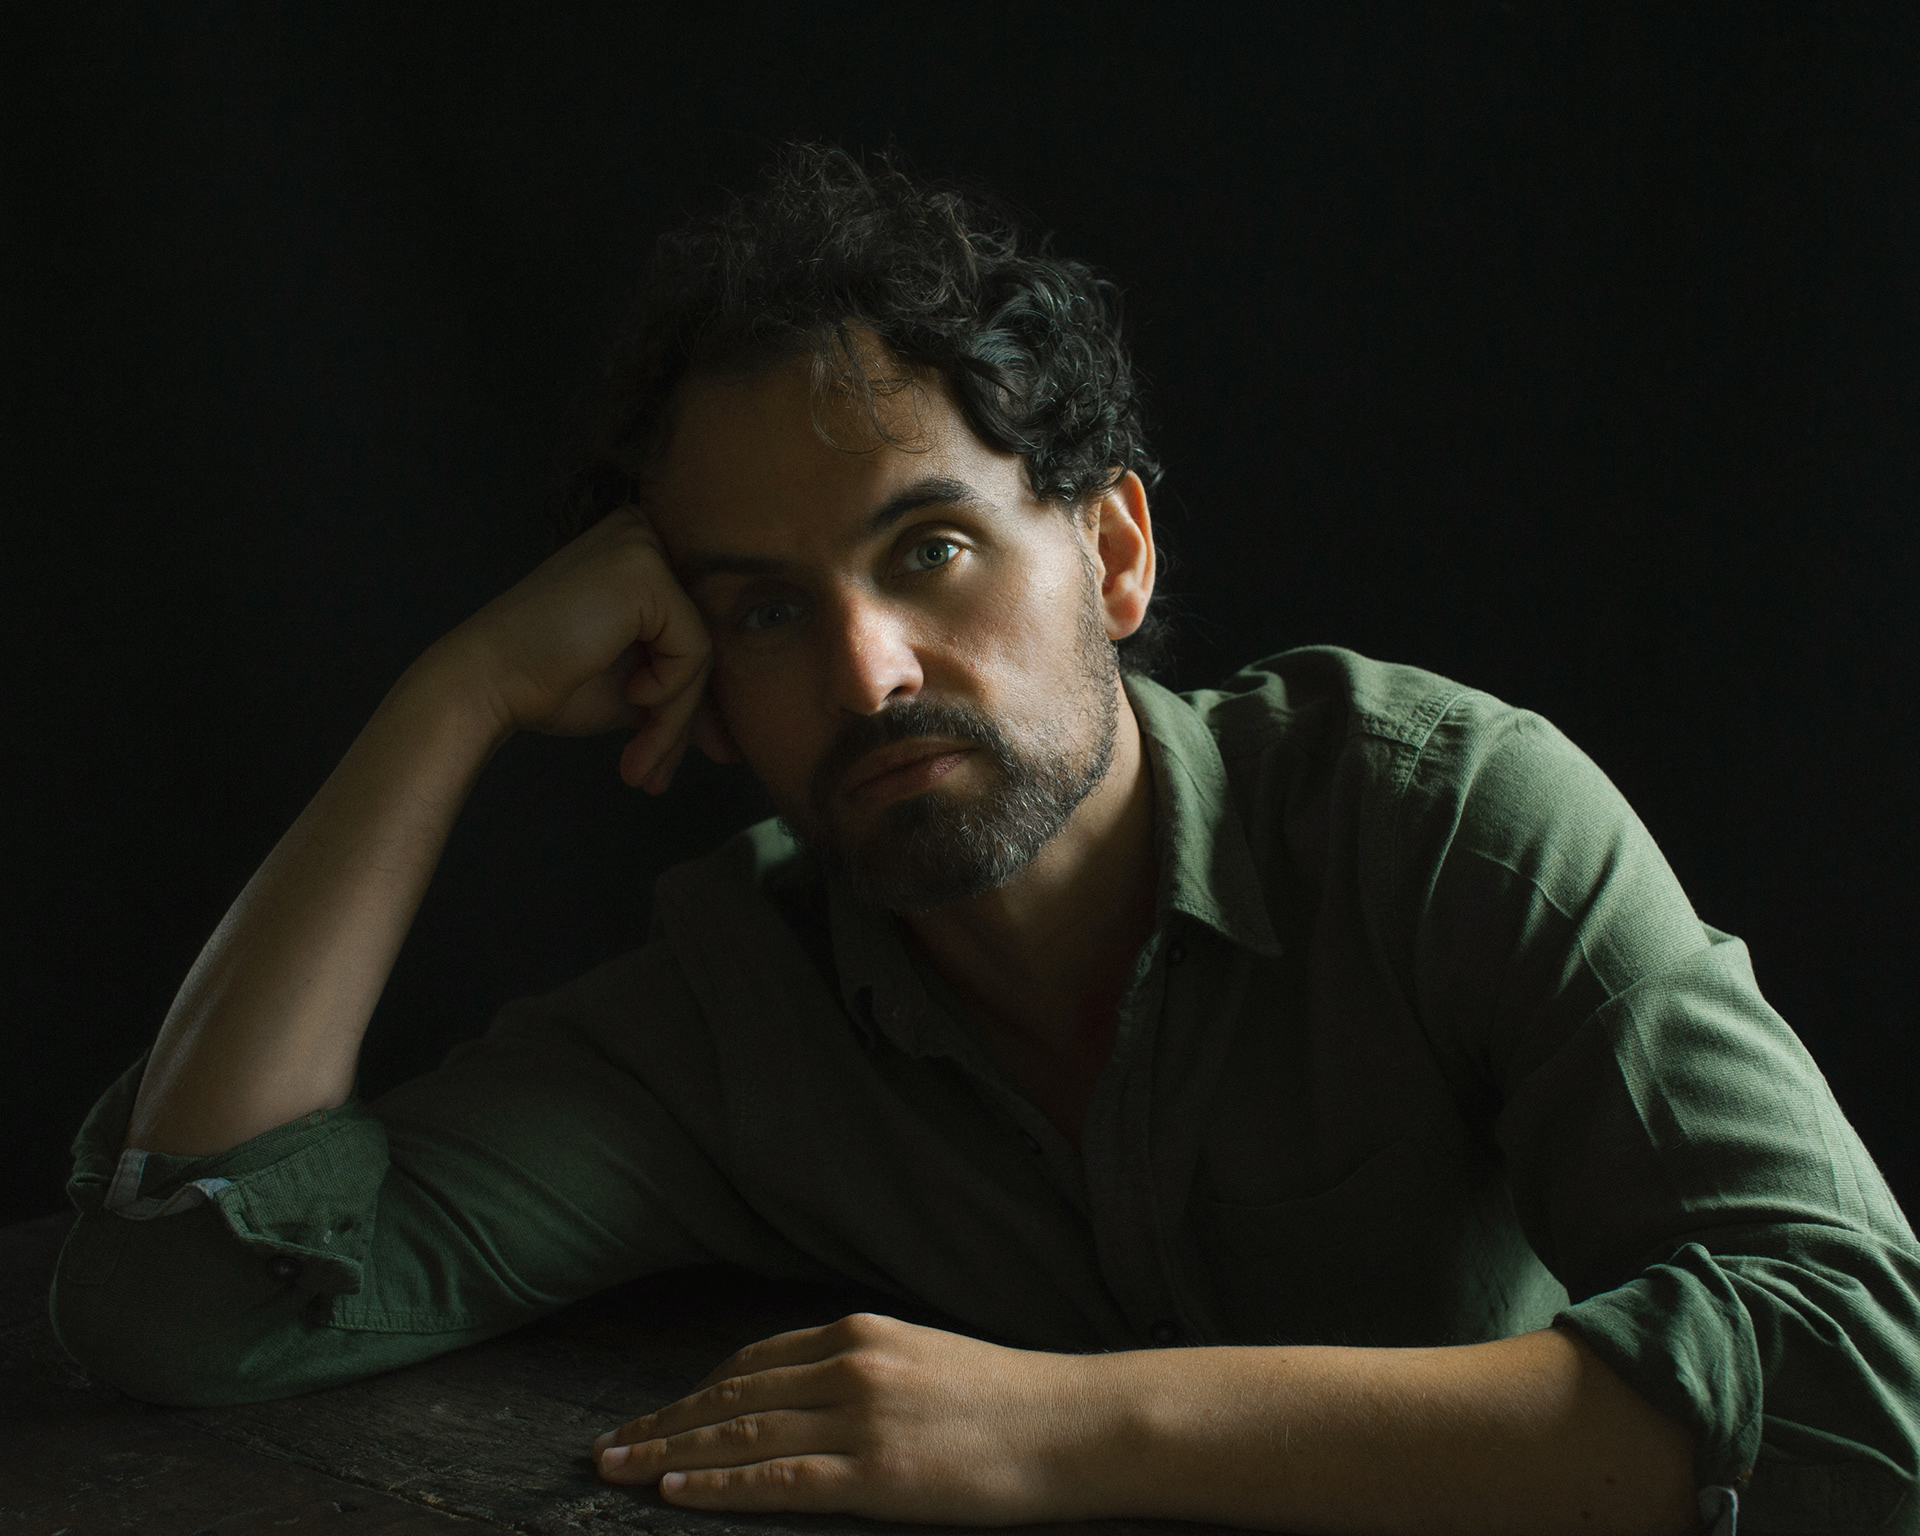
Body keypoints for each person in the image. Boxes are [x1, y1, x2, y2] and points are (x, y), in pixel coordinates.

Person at [51, 145, 1919, 1536]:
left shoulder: (1444, 825)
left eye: (928, 549)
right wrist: (447, 699)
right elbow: (179, 1303)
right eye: (764, 610)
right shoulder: (731, 1023)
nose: (866, 673)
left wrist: (1063, 1428)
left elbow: (1861, 1377)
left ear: (1112, 553)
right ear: (696, 683)